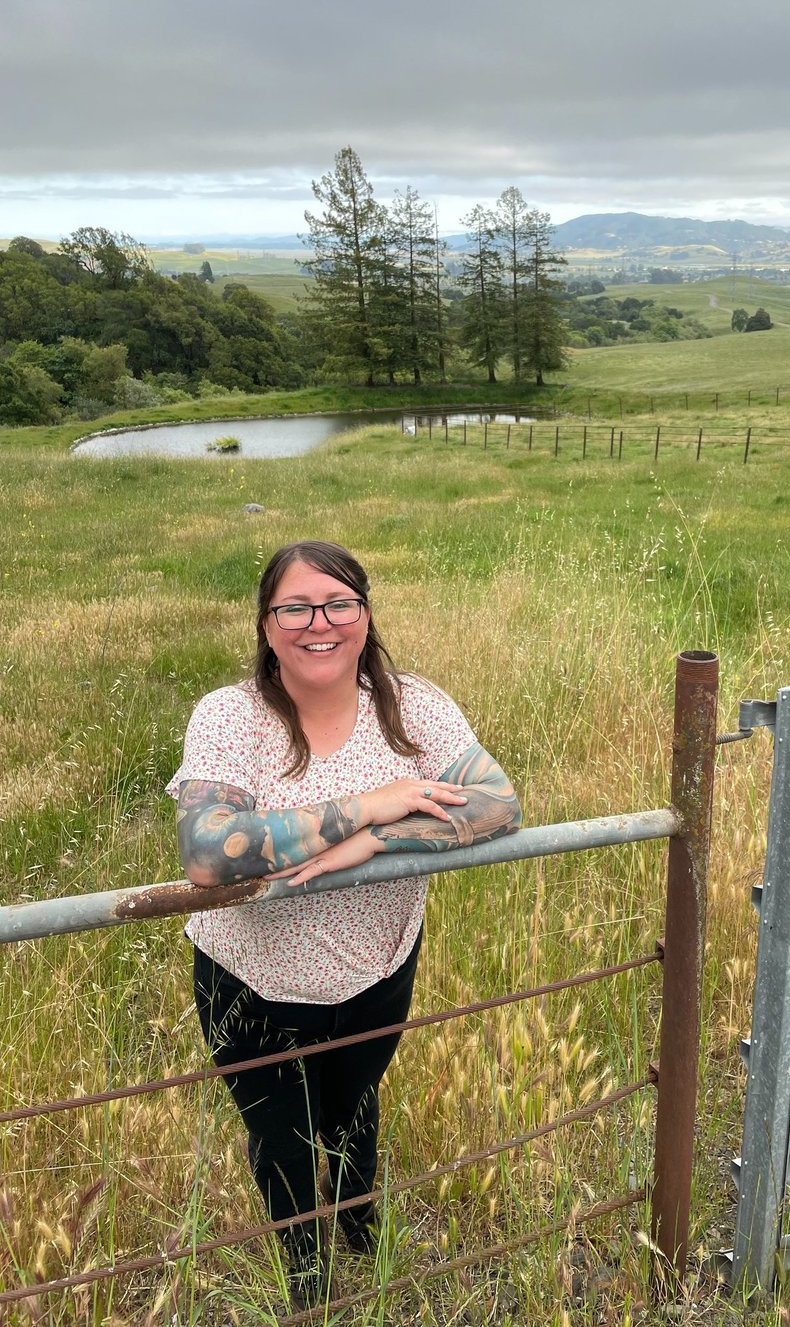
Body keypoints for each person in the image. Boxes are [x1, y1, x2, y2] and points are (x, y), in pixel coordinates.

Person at [167, 540, 521, 1308]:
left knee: (358, 1100)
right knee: (283, 1136)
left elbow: (498, 802)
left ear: (364, 615)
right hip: (253, 982)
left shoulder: (412, 704)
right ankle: (309, 1273)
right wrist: (371, 802)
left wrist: (372, 842)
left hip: (380, 962)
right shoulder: (232, 716)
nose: (317, 623)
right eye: (295, 606)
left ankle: (360, 1220)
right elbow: (208, 851)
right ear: (267, 625)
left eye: (339, 604)